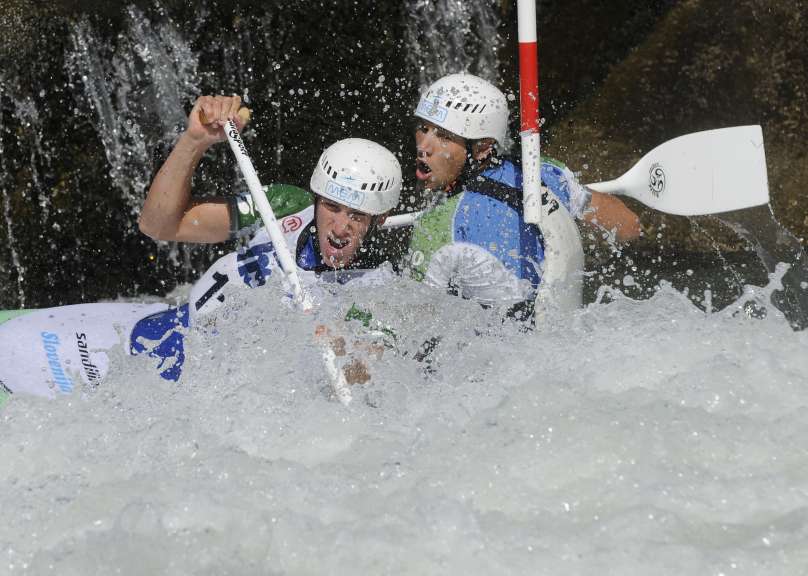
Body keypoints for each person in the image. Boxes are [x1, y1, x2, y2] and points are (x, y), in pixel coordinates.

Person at [0, 96, 402, 399]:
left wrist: (340, 346)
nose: (340, 228)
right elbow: (160, 224)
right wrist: (194, 141)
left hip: (198, 396)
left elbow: (371, 371)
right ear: (316, 198)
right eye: (331, 207)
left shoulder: (379, 287)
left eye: (357, 216)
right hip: (156, 332)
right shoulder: (285, 205)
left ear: (379, 220)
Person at [405, 73, 641, 315]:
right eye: (423, 129)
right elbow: (630, 228)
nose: (424, 147)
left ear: (483, 148)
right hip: (565, 331)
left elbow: (415, 324)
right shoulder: (544, 173)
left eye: (444, 136)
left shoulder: (437, 225)